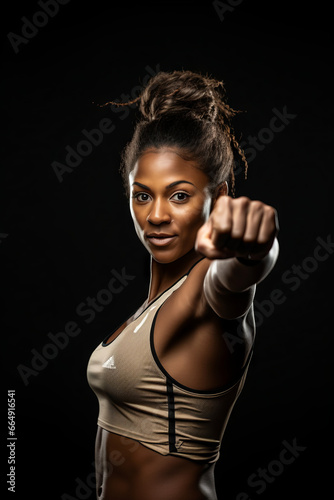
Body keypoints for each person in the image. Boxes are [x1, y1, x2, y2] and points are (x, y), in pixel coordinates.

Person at [87, 69, 279, 500]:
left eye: (179, 195)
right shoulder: (152, 304)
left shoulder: (204, 294)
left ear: (220, 198)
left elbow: (238, 278)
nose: (156, 216)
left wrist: (254, 246)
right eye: (142, 195)